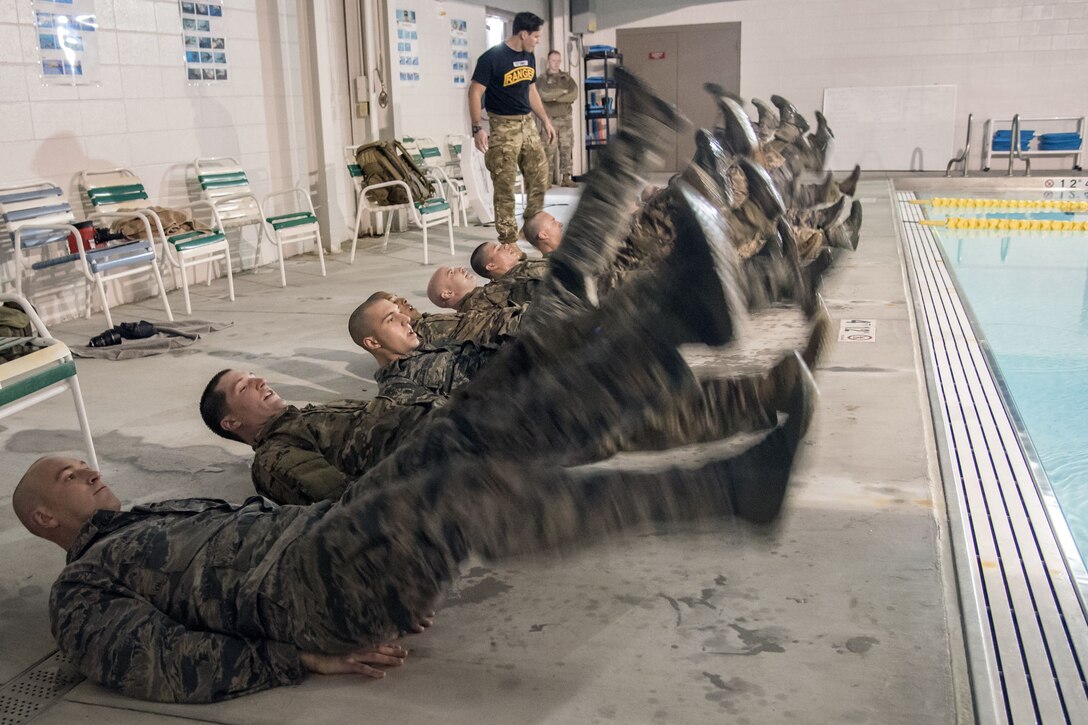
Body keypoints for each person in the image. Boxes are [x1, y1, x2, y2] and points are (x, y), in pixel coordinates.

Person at [15, 190, 816, 703]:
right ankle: (724, 480)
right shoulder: (82, 589)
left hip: (328, 542)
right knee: (464, 485)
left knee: (486, 421)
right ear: (47, 521)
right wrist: (300, 658)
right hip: (307, 584)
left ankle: (687, 321)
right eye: (64, 475)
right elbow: (154, 660)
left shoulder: (154, 515)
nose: (84, 465)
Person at [198, 369, 437, 506]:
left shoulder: (303, 417)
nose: (261, 381)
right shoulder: (275, 455)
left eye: (253, 375)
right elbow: (347, 504)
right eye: (244, 386)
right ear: (231, 422)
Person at [468, 12, 554, 247]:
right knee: (505, 184)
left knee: (539, 176)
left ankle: (532, 227)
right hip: (503, 126)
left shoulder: (529, 56)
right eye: (535, 36)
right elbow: (475, 92)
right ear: (523, 34)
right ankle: (508, 241)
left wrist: (544, 119)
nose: (538, 41)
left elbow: (531, 90)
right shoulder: (492, 58)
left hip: (527, 123)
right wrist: (477, 128)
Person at [537, 49, 579, 187]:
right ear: (549, 61)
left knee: (566, 148)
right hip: (550, 120)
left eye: (558, 61)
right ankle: (546, 180)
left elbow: (573, 95)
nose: (556, 63)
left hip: (565, 119)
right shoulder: (542, 79)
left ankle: (566, 178)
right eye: (553, 60)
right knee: (548, 150)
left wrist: (554, 97)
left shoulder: (566, 79)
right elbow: (544, 95)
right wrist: (562, 92)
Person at [426, 265, 538, 312]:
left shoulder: (482, 296)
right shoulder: (479, 310)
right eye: (451, 272)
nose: (460, 269)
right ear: (447, 293)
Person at [469, 240, 550, 280]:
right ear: (491, 266)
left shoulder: (526, 270)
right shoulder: (514, 287)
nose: (506, 245)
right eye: (498, 249)